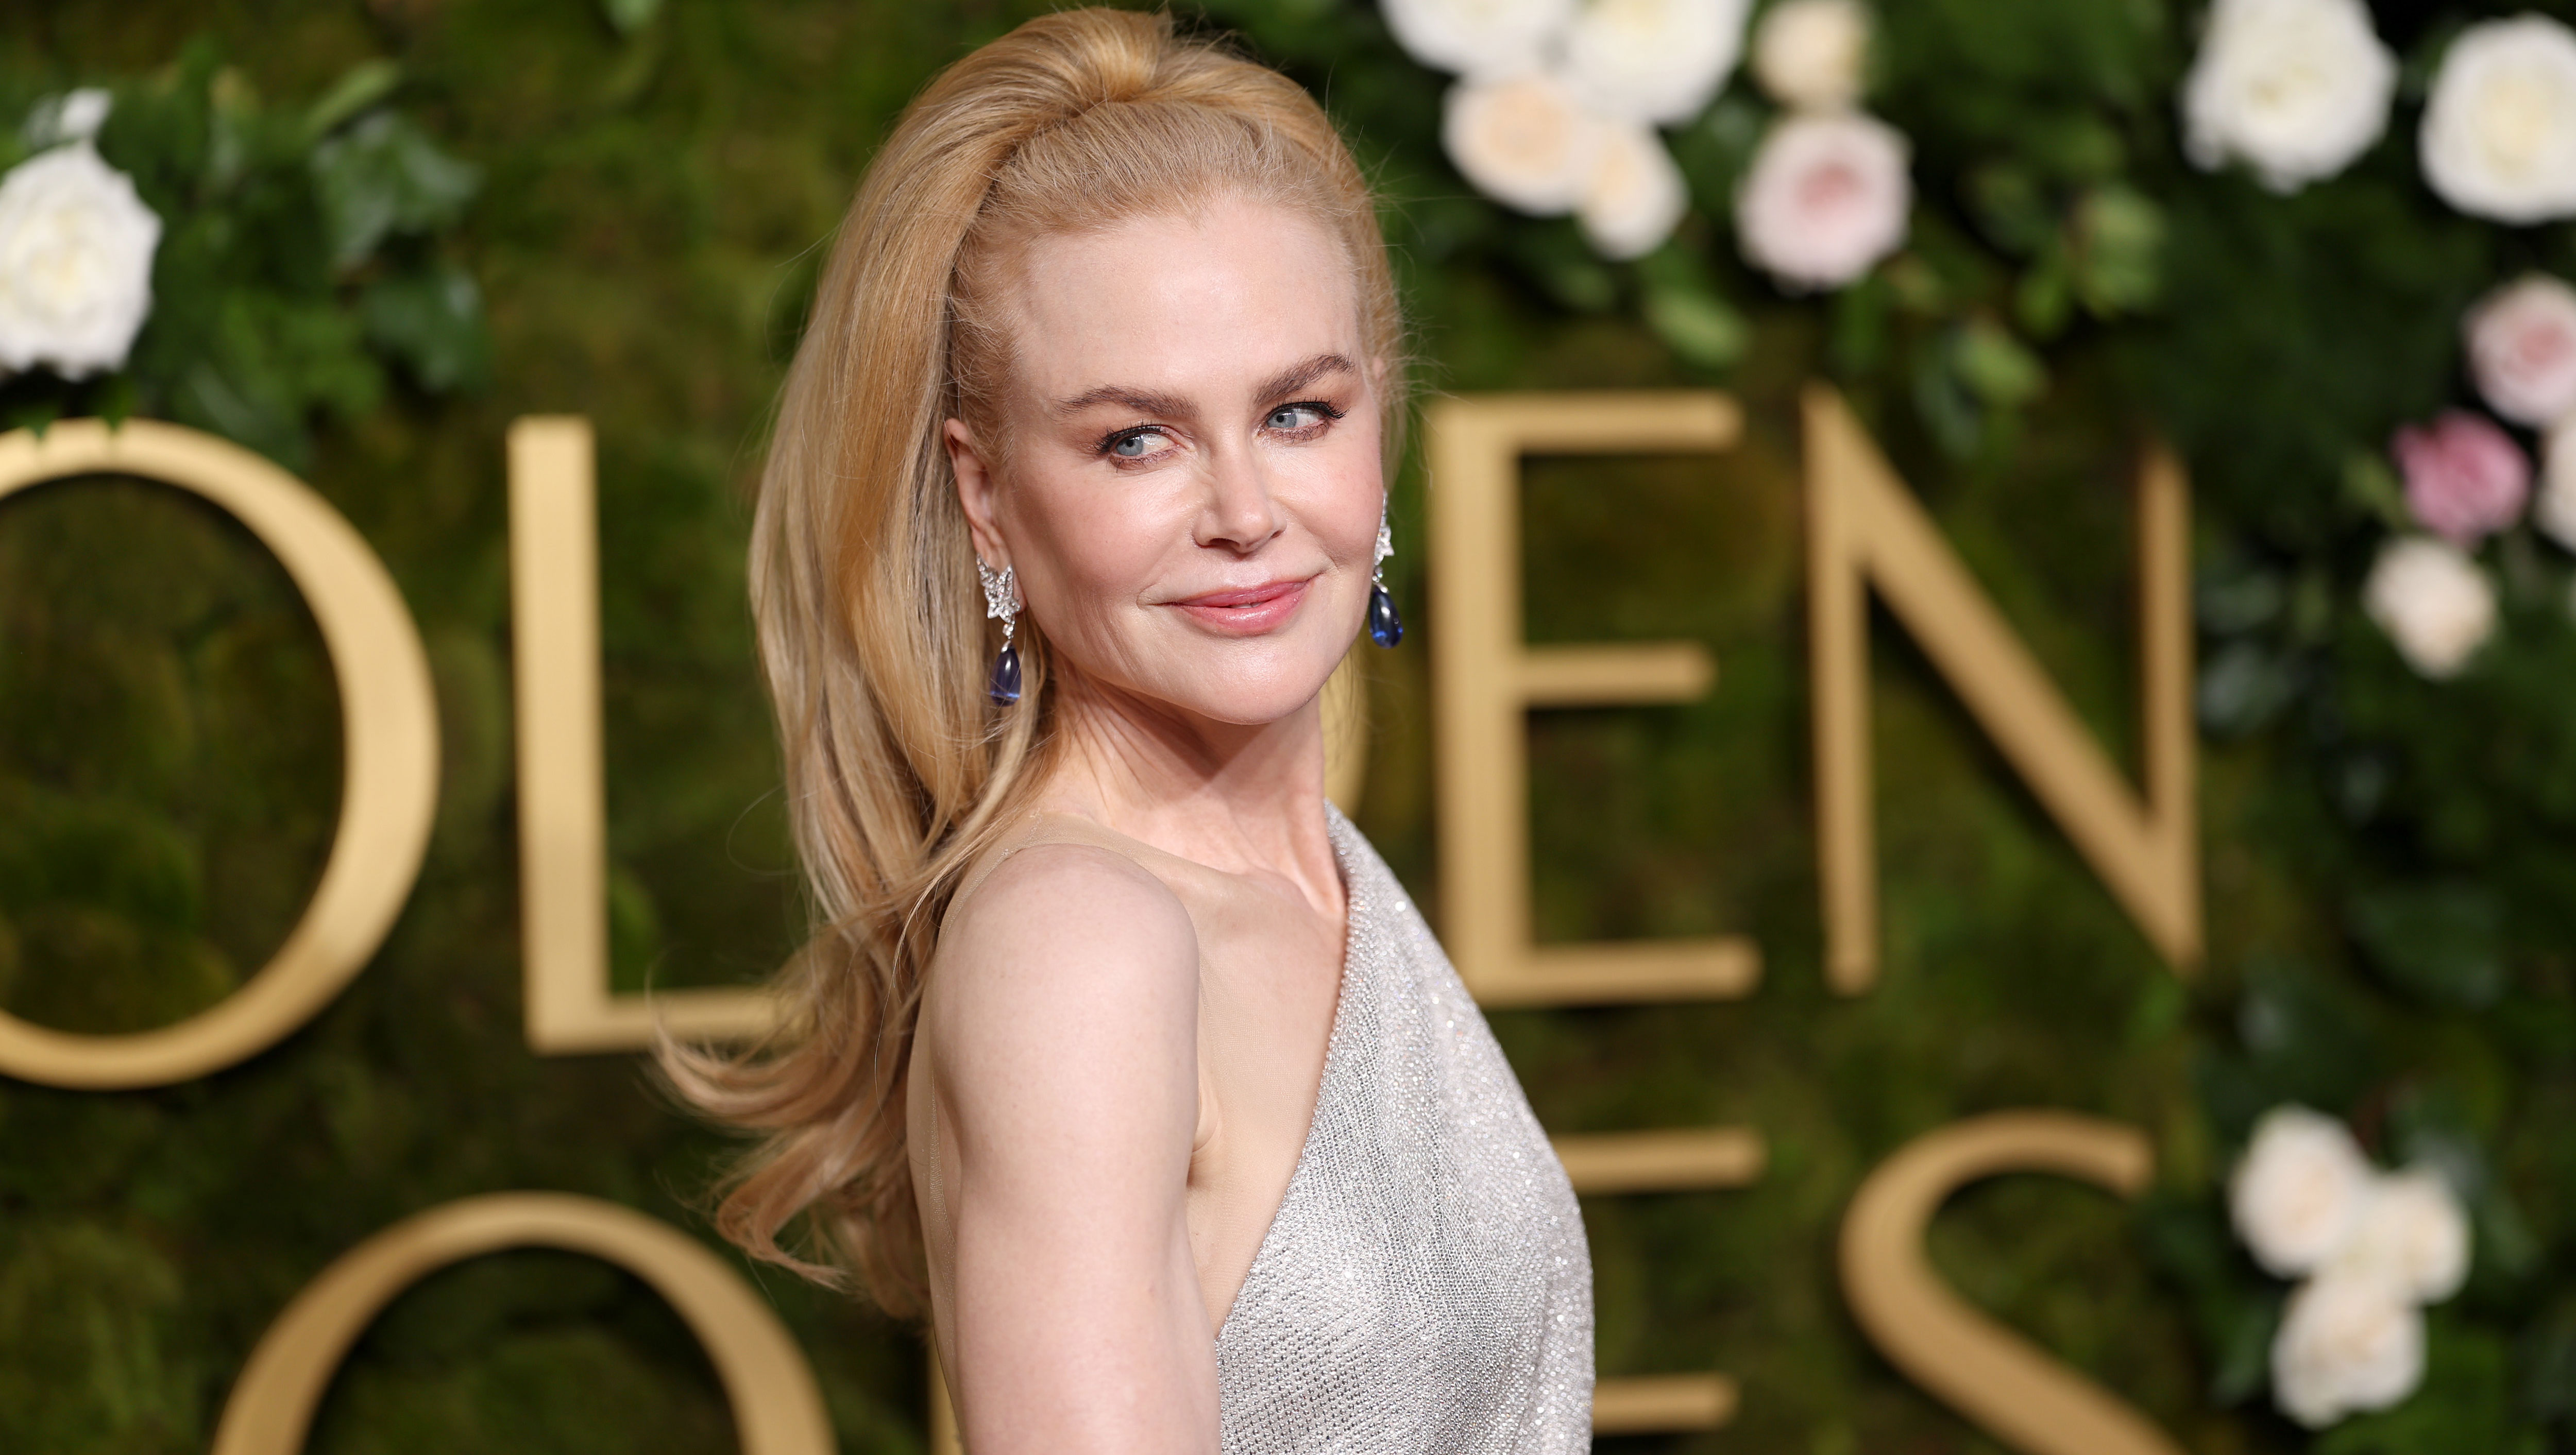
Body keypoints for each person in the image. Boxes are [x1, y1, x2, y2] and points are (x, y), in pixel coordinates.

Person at [663, 11, 1591, 1451]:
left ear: (1380, 420)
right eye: (1134, 440)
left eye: (1297, 411)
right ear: (985, 494)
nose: (1243, 510)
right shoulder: (1080, 941)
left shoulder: (1320, 881)